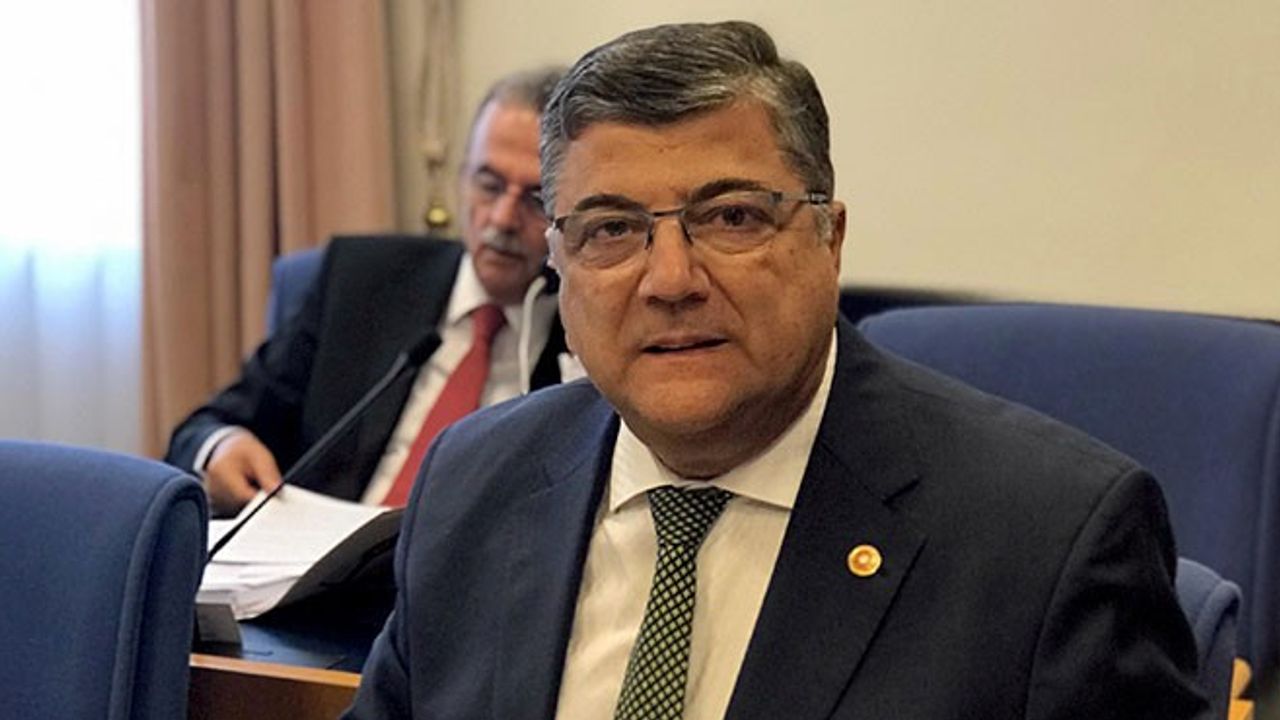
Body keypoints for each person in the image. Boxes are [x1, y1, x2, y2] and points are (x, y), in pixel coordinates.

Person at [345, 21, 1209, 719]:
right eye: (610, 229)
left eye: (731, 217)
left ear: (829, 240)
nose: (670, 280)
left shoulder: (1048, 543)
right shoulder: (474, 485)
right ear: (560, 266)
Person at [166, 67, 568, 516]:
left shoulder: (584, 342)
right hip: (318, 550)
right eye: (488, 185)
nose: (502, 219)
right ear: (461, 178)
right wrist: (222, 447)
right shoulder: (361, 282)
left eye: (535, 199)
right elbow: (205, 427)